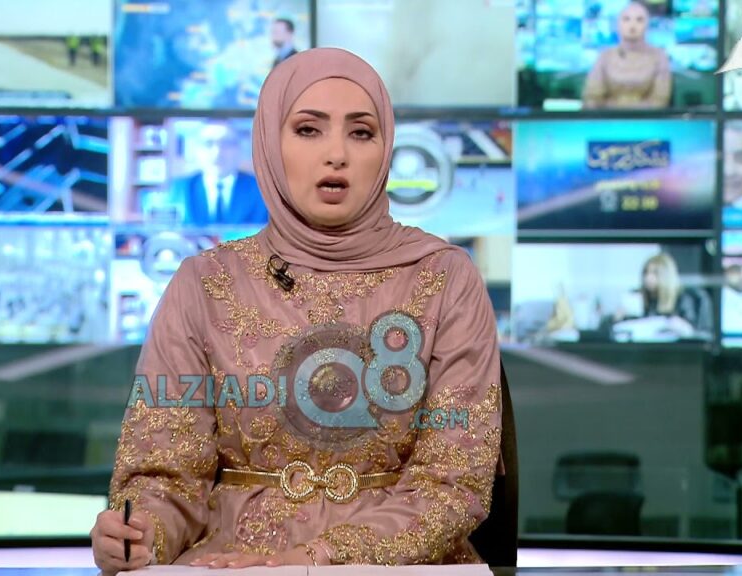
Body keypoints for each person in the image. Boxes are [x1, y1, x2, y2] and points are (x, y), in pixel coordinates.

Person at [91, 47, 503, 572]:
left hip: (398, 569)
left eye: (361, 133)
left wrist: (313, 561)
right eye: (309, 130)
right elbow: (166, 476)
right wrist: (143, 531)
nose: (337, 155)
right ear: (269, 143)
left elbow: (453, 482)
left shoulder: (444, 277)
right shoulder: (205, 282)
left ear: (386, 150)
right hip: (232, 567)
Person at [170, 123, 267, 227]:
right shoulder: (178, 189)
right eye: (208, 143)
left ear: (240, 149)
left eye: (226, 144)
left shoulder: (261, 190)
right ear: (197, 151)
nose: (217, 152)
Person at [582, 1, 672, 109]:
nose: (632, 25)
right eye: (626, 19)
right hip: (607, 118)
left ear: (647, 25)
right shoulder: (605, 56)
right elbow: (592, 99)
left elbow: (659, 101)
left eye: (639, 20)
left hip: (647, 118)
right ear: (617, 25)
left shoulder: (659, 57)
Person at [632, 252, 712, 339]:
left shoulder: (684, 298)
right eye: (646, 273)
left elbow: (693, 331)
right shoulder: (646, 299)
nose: (648, 278)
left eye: (654, 273)